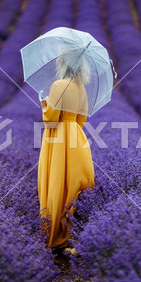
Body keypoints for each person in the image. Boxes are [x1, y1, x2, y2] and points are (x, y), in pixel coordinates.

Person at [37, 48, 95, 254]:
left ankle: (55, 238)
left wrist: (44, 103)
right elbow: (82, 120)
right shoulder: (82, 88)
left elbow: (51, 119)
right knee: (73, 186)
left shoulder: (58, 85)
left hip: (58, 138)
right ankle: (72, 235)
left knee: (57, 184)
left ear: (63, 64)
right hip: (77, 137)